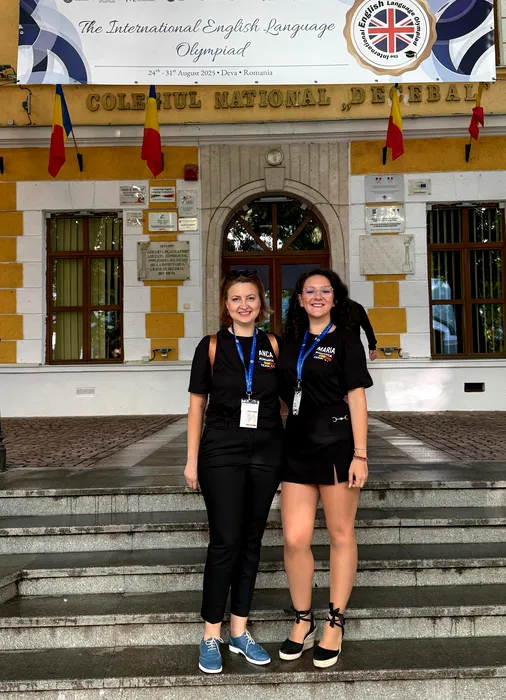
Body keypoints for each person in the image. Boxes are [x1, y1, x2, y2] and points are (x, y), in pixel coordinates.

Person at [184, 269, 283, 674]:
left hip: (266, 449)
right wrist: (191, 459)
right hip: (221, 448)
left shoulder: (273, 345)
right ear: (226, 305)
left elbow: (293, 394)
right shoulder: (210, 346)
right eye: (236, 299)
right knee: (226, 540)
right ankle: (211, 634)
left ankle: (239, 632)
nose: (244, 305)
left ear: (261, 304)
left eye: (251, 298)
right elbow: (197, 406)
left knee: (252, 540)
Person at [277, 268, 373, 668]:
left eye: (325, 290)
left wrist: (360, 454)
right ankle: (304, 620)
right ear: (299, 299)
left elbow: (357, 398)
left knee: (339, 533)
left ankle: (335, 620)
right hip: (297, 447)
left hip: (337, 445)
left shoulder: (347, 340)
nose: (317, 296)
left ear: (336, 297)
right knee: (295, 538)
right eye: (309, 291)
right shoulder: (289, 341)